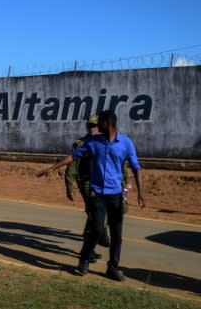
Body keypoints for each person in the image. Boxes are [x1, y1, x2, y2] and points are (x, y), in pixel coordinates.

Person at [37, 110, 145, 281]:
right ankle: (84, 259)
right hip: (97, 194)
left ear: (107, 123)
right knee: (96, 229)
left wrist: (141, 192)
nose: (94, 127)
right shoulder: (93, 142)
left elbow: (135, 167)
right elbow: (73, 156)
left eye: (99, 122)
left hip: (116, 195)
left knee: (117, 234)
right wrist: (52, 168)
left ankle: (113, 267)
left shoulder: (125, 143)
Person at [64, 115, 109, 263]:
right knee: (93, 214)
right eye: (89, 125)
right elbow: (72, 166)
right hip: (87, 182)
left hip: (103, 183)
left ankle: (89, 245)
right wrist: (69, 185)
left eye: (94, 125)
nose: (91, 128)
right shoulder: (81, 143)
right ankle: (88, 251)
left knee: (97, 215)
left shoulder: (105, 142)